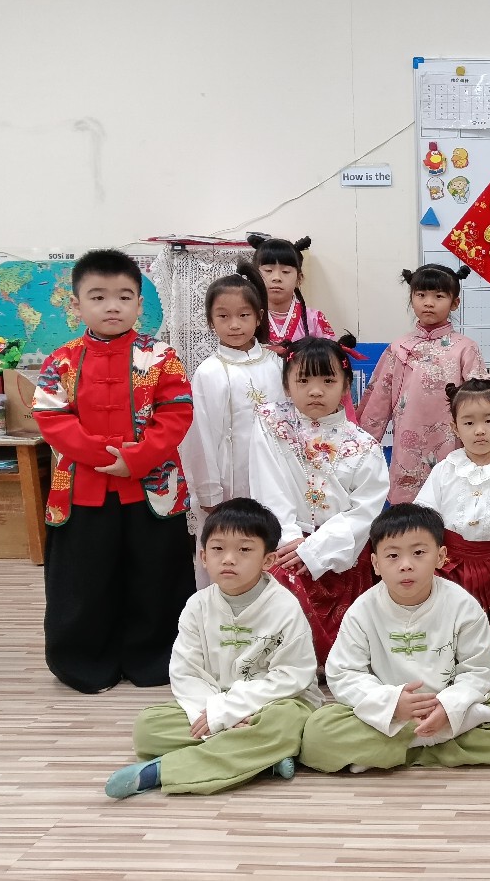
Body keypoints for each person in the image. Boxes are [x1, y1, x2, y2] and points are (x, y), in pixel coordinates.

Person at [34, 248, 195, 693]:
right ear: (76, 304)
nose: (112, 306)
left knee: (156, 576)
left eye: (124, 297)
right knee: (83, 580)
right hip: (80, 490)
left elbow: (177, 412)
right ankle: (84, 663)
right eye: (98, 296)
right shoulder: (61, 360)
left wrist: (138, 458)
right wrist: (104, 457)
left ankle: (155, 658)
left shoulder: (161, 357)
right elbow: (50, 416)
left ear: (139, 304)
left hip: (152, 488)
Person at [104, 498, 321, 798]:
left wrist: (231, 710)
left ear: (268, 560)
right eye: (218, 549)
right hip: (214, 703)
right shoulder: (197, 606)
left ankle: (162, 772)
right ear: (203, 557)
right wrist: (216, 715)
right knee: (147, 728)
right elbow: (186, 672)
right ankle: (265, 759)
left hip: (276, 704)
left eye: (244, 550)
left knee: (285, 723)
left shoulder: (284, 607)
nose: (229, 559)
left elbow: (292, 677)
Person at [298, 504, 490, 773]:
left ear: (441, 557)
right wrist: (391, 703)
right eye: (393, 556)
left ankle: (394, 750)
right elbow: (344, 673)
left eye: (419, 553)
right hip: (389, 711)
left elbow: (478, 671)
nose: (406, 565)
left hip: (447, 704)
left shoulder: (463, 606)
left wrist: (449, 707)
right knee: (317, 735)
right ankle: (435, 745)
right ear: (375, 564)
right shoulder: (362, 610)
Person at [249, 336, 389, 666]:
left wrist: (315, 550)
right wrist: (291, 542)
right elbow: (269, 487)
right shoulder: (271, 423)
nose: (315, 391)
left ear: (345, 385)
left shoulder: (363, 445)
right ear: (286, 384)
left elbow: (364, 511)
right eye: (303, 380)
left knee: (348, 653)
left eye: (328, 381)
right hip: (286, 541)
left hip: (341, 549)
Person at [414, 378, 490, 677]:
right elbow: (423, 522)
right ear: (455, 427)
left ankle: (482, 677)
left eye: (489, 420)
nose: (480, 430)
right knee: (446, 630)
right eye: (469, 422)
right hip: (448, 568)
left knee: (487, 640)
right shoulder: (446, 469)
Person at [179, 262, 285, 586]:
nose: (234, 325)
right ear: (211, 321)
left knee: (270, 544)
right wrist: (208, 491)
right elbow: (199, 436)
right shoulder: (209, 372)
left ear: (259, 316)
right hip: (227, 481)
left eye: (243, 315)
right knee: (228, 549)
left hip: (274, 476)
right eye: (223, 316)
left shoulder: (276, 364)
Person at [358, 264, 485, 503]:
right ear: (411, 298)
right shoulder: (398, 347)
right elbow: (378, 401)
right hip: (408, 442)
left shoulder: (465, 348)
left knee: (452, 503)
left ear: (455, 303)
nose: (429, 303)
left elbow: (480, 401)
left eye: (439, 296)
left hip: (452, 441)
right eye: (421, 295)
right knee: (408, 511)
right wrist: (361, 447)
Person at [248, 234, 338, 351]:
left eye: (285, 272)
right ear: (255, 276)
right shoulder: (247, 316)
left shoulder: (314, 319)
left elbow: (332, 357)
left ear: (298, 279)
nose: (276, 277)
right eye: (268, 270)